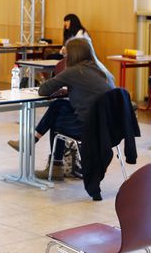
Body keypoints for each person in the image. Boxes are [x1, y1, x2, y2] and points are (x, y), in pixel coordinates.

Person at [8, 38, 114, 181]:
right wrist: (69, 90)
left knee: (57, 120)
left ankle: (48, 160)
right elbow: (89, 93)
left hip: (87, 128)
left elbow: (43, 90)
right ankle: (34, 145)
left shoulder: (75, 71)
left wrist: (65, 83)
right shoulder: (101, 70)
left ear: (72, 55)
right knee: (59, 105)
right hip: (106, 127)